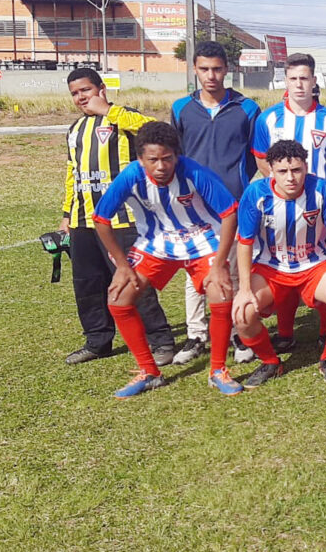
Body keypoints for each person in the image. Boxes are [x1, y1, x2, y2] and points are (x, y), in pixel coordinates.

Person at [92, 121, 239, 398]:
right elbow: (101, 219)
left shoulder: (194, 172)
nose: (161, 166)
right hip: (156, 243)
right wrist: (123, 267)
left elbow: (230, 213)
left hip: (202, 240)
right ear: (140, 159)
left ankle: (217, 370)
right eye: (153, 160)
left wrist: (219, 265)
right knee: (119, 298)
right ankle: (149, 372)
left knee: (220, 292)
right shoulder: (130, 176)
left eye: (167, 158)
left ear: (176, 155)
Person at [60, 67, 175, 366]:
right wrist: (66, 214)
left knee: (134, 283)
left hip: (123, 220)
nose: (81, 98)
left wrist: (109, 110)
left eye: (85, 90)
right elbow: (73, 174)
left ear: (101, 89)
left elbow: (157, 131)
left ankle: (161, 341)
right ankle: (98, 341)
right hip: (83, 221)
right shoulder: (75, 130)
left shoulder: (123, 118)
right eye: (75, 93)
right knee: (87, 284)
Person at [230, 139, 326, 387]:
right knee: (243, 316)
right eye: (282, 171)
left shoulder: (322, 189)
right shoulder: (256, 194)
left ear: (306, 167)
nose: (291, 177)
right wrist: (244, 290)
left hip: (314, 266)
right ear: (270, 170)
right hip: (272, 268)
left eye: (297, 170)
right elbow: (244, 243)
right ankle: (270, 362)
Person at [170, 40, 261, 365]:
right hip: (192, 205)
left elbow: (254, 156)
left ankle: (238, 333)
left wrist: (234, 184)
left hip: (232, 204)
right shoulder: (181, 107)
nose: (211, 75)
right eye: (204, 69)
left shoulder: (246, 108)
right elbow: (175, 155)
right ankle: (196, 335)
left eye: (217, 69)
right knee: (194, 272)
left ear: (227, 69)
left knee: (234, 271)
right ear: (195, 69)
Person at [252, 52, 326, 181]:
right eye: (293, 79)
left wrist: (318, 188)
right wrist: (283, 187)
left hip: (316, 198)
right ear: (286, 81)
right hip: (281, 198)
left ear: (313, 81)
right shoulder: (267, 119)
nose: (298, 85)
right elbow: (261, 160)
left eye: (304, 78)